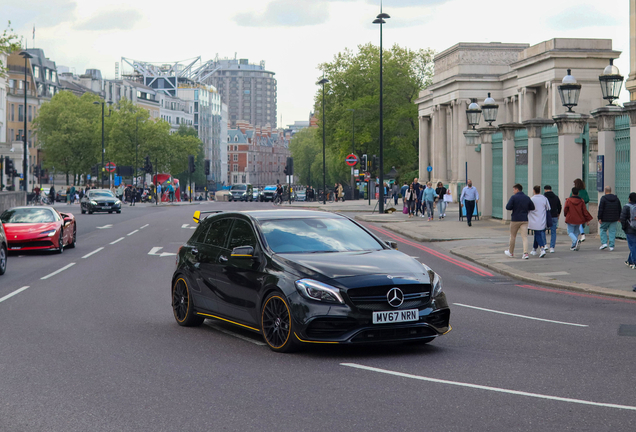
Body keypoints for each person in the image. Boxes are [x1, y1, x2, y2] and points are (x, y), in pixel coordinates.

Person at [504, 184, 535, 259]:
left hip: (515, 219)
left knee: (513, 236)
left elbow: (508, 207)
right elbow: (532, 207)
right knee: (524, 237)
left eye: (514, 189)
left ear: (517, 189)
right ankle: (525, 253)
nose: (513, 191)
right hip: (524, 219)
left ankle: (511, 252)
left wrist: (514, 207)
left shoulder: (513, 197)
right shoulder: (527, 198)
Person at [528, 185, 551, 258]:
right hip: (542, 219)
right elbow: (548, 209)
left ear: (533, 191)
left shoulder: (532, 199)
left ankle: (542, 248)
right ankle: (534, 249)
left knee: (537, 234)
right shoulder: (544, 198)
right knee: (537, 233)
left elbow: (528, 209)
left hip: (533, 219)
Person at [597, 186, 622, 251]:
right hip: (614, 218)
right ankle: (611, 246)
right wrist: (619, 217)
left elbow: (601, 209)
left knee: (603, 229)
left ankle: (604, 243)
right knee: (612, 231)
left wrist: (599, 217)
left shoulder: (603, 198)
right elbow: (619, 208)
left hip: (605, 218)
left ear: (605, 191)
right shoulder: (616, 198)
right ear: (610, 191)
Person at [619, 192, 636, 270]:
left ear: (629, 199)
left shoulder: (626, 207)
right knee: (633, 245)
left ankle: (634, 262)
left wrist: (624, 227)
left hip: (630, 229)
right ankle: (629, 261)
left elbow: (622, 218)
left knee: (632, 246)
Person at [543, 185, 561, 253]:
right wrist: (558, 214)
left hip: (545, 216)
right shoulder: (556, 197)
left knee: (542, 231)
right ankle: (552, 247)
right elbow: (559, 206)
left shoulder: (544, 197)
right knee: (553, 232)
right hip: (554, 216)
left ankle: (545, 245)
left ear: (545, 190)